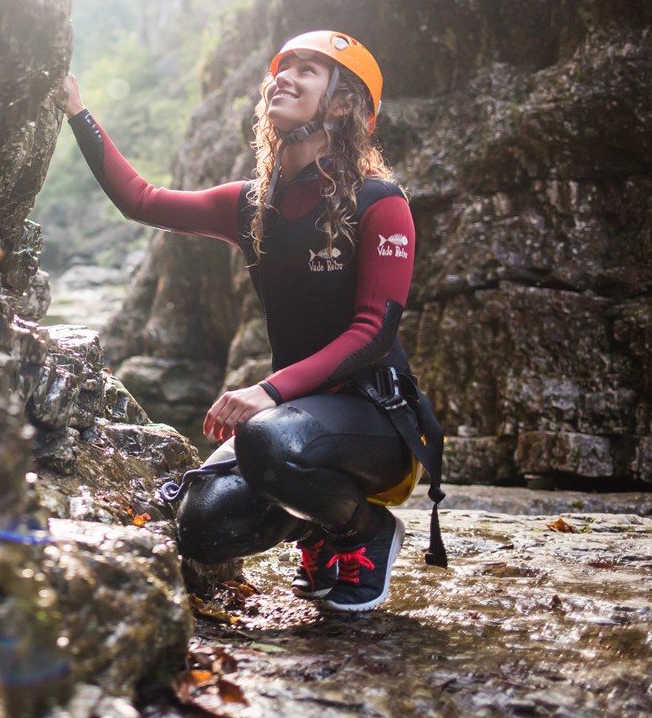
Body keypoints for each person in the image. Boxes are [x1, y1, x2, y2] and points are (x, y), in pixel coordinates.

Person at [59, 31, 445, 613]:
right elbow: (142, 200)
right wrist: (77, 112)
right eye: (283, 67)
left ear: (344, 102)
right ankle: (317, 527)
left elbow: (372, 333)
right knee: (203, 526)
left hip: (379, 424)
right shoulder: (250, 205)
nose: (283, 76)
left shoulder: (380, 203)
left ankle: (365, 532)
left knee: (267, 439)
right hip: (296, 422)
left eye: (307, 70)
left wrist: (268, 391)